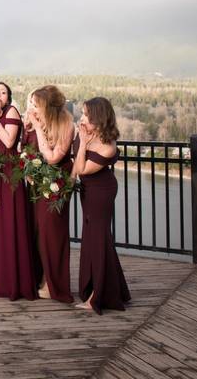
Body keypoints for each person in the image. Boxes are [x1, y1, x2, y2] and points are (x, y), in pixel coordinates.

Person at [73, 97, 131, 314]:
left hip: (101, 193)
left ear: (98, 117)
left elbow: (81, 169)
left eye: (86, 114)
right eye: (82, 113)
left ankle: (97, 296)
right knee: (94, 239)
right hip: (88, 192)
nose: (82, 118)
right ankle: (113, 290)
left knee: (98, 241)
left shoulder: (107, 146)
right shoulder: (88, 133)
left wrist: (83, 144)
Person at [0, 82, 37, 301]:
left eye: (3, 93)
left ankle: (16, 283)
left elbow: (8, 141)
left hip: (9, 174)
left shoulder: (10, 112)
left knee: (10, 224)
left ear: (9, 97)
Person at [25, 86, 75, 303]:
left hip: (56, 182)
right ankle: (38, 277)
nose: (32, 108)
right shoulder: (32, 121)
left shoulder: (66, 124)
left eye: (36, 105)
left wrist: (37, 128)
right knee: (36, 231)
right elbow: (26, 149)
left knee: (52, 233)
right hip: (36, 183)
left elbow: (53, 157)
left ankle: (53, 283)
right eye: (32, 104)